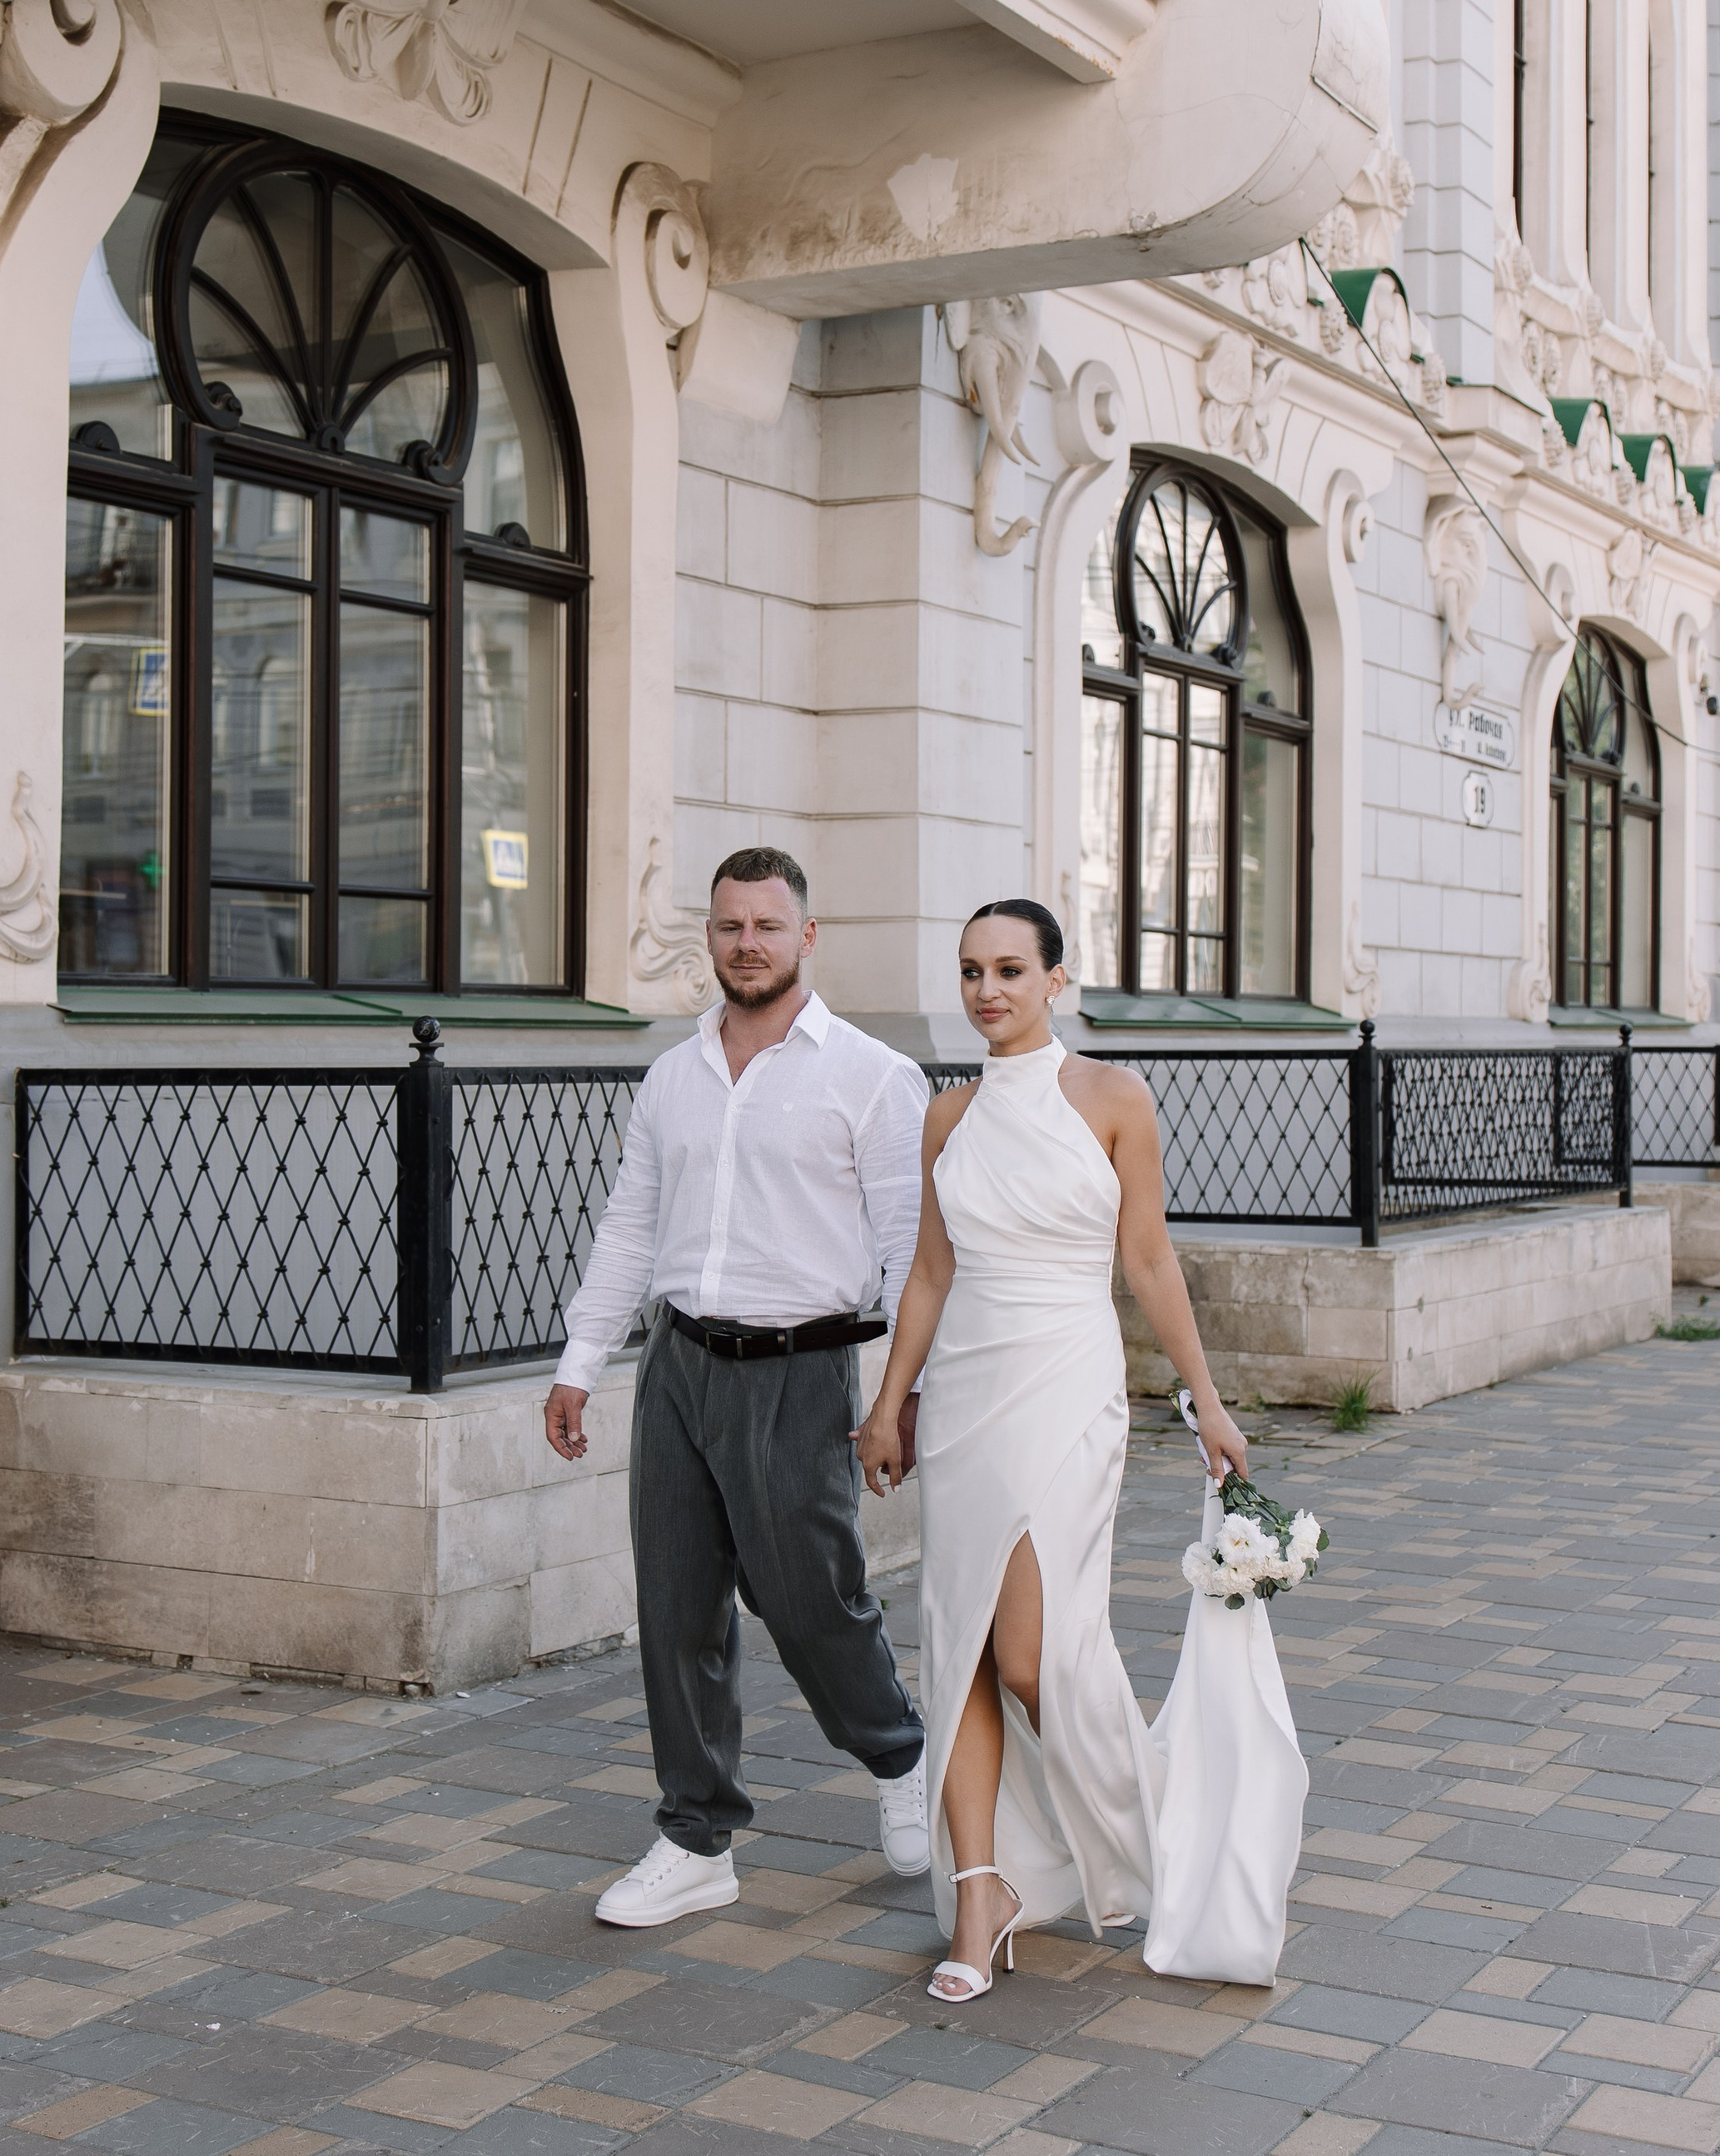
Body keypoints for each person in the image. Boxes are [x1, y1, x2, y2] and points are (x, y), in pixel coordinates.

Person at [855, 898, 1305, 2001]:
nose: (986, 991)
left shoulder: (1113, 1097)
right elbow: (927, 1274)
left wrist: (1208, 1403)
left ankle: (1150, 1816)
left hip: (1067, 1385)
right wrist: (888, 1402)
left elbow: (1148, 1261)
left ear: (1057, 978)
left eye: (1010, 969)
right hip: (965, 1397)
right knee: (957, 1646)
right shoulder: (947, 1117)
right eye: (970, 971)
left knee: (1032, 1659)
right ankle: (981, 1900)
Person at [547, 847, 932, 1927]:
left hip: (800, 1370)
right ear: (707, 939)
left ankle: (901, 1758)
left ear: (808, 937)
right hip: (678, 1366)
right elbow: (630, 1226)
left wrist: (899, 1397)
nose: (747, 943)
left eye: (767, 925)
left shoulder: (871, 1076)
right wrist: (582, 1361)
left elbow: (910, 1252)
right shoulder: (674, 1075)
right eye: (729, 926)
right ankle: (695, 1833)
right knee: (675, 1607)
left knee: (808, 1598)